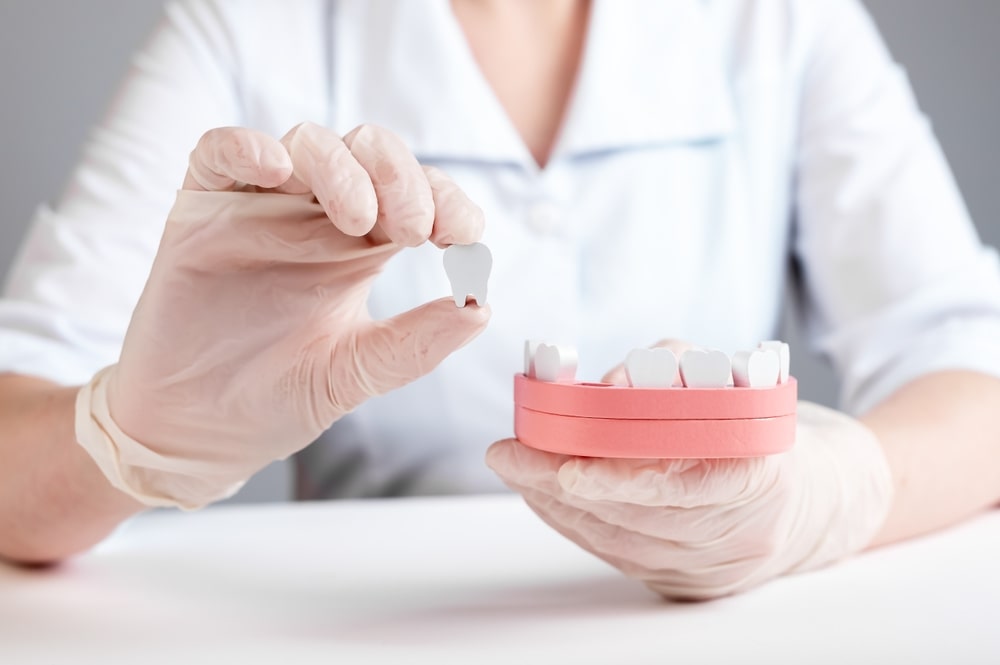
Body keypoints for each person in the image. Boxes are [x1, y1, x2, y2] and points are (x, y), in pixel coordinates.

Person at [1, 0, 999, 600]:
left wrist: (825, 497)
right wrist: (133, 431)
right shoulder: (252, 27)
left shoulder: (776, 18)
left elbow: (974, 369)